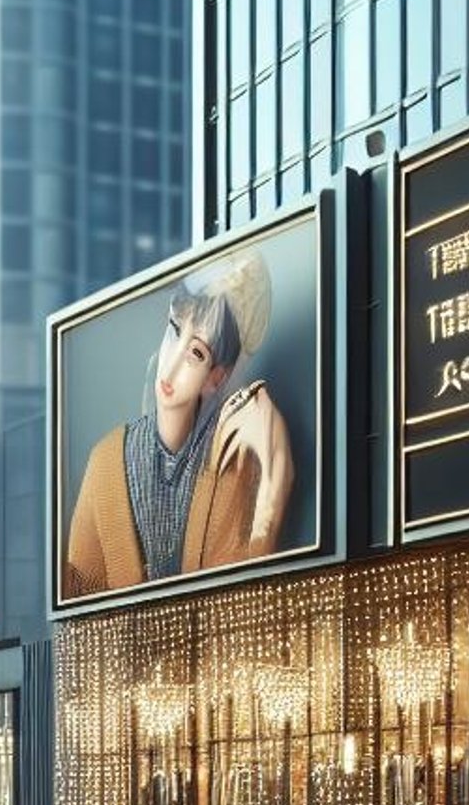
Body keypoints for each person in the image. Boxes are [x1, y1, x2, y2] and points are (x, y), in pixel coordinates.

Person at [63, 251, 295, 598]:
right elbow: (75, 603)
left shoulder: (230, 459)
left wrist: (275, 486)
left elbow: (241, 604)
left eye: (196, 353)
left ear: (217, 376)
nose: (171, 365)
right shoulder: (105, 461)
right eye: (174, 330)